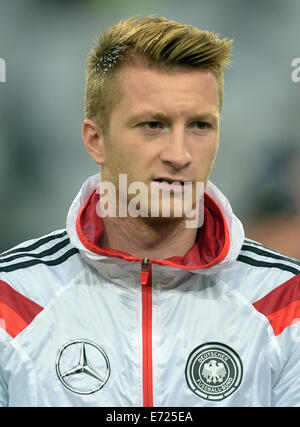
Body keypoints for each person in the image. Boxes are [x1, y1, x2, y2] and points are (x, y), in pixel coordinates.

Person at [0, 16, 299, 408]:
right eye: (153, 125)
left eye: (200, 126)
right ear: (96, 140)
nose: (180, 155)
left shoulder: (285, 301)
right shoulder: (13, 298)